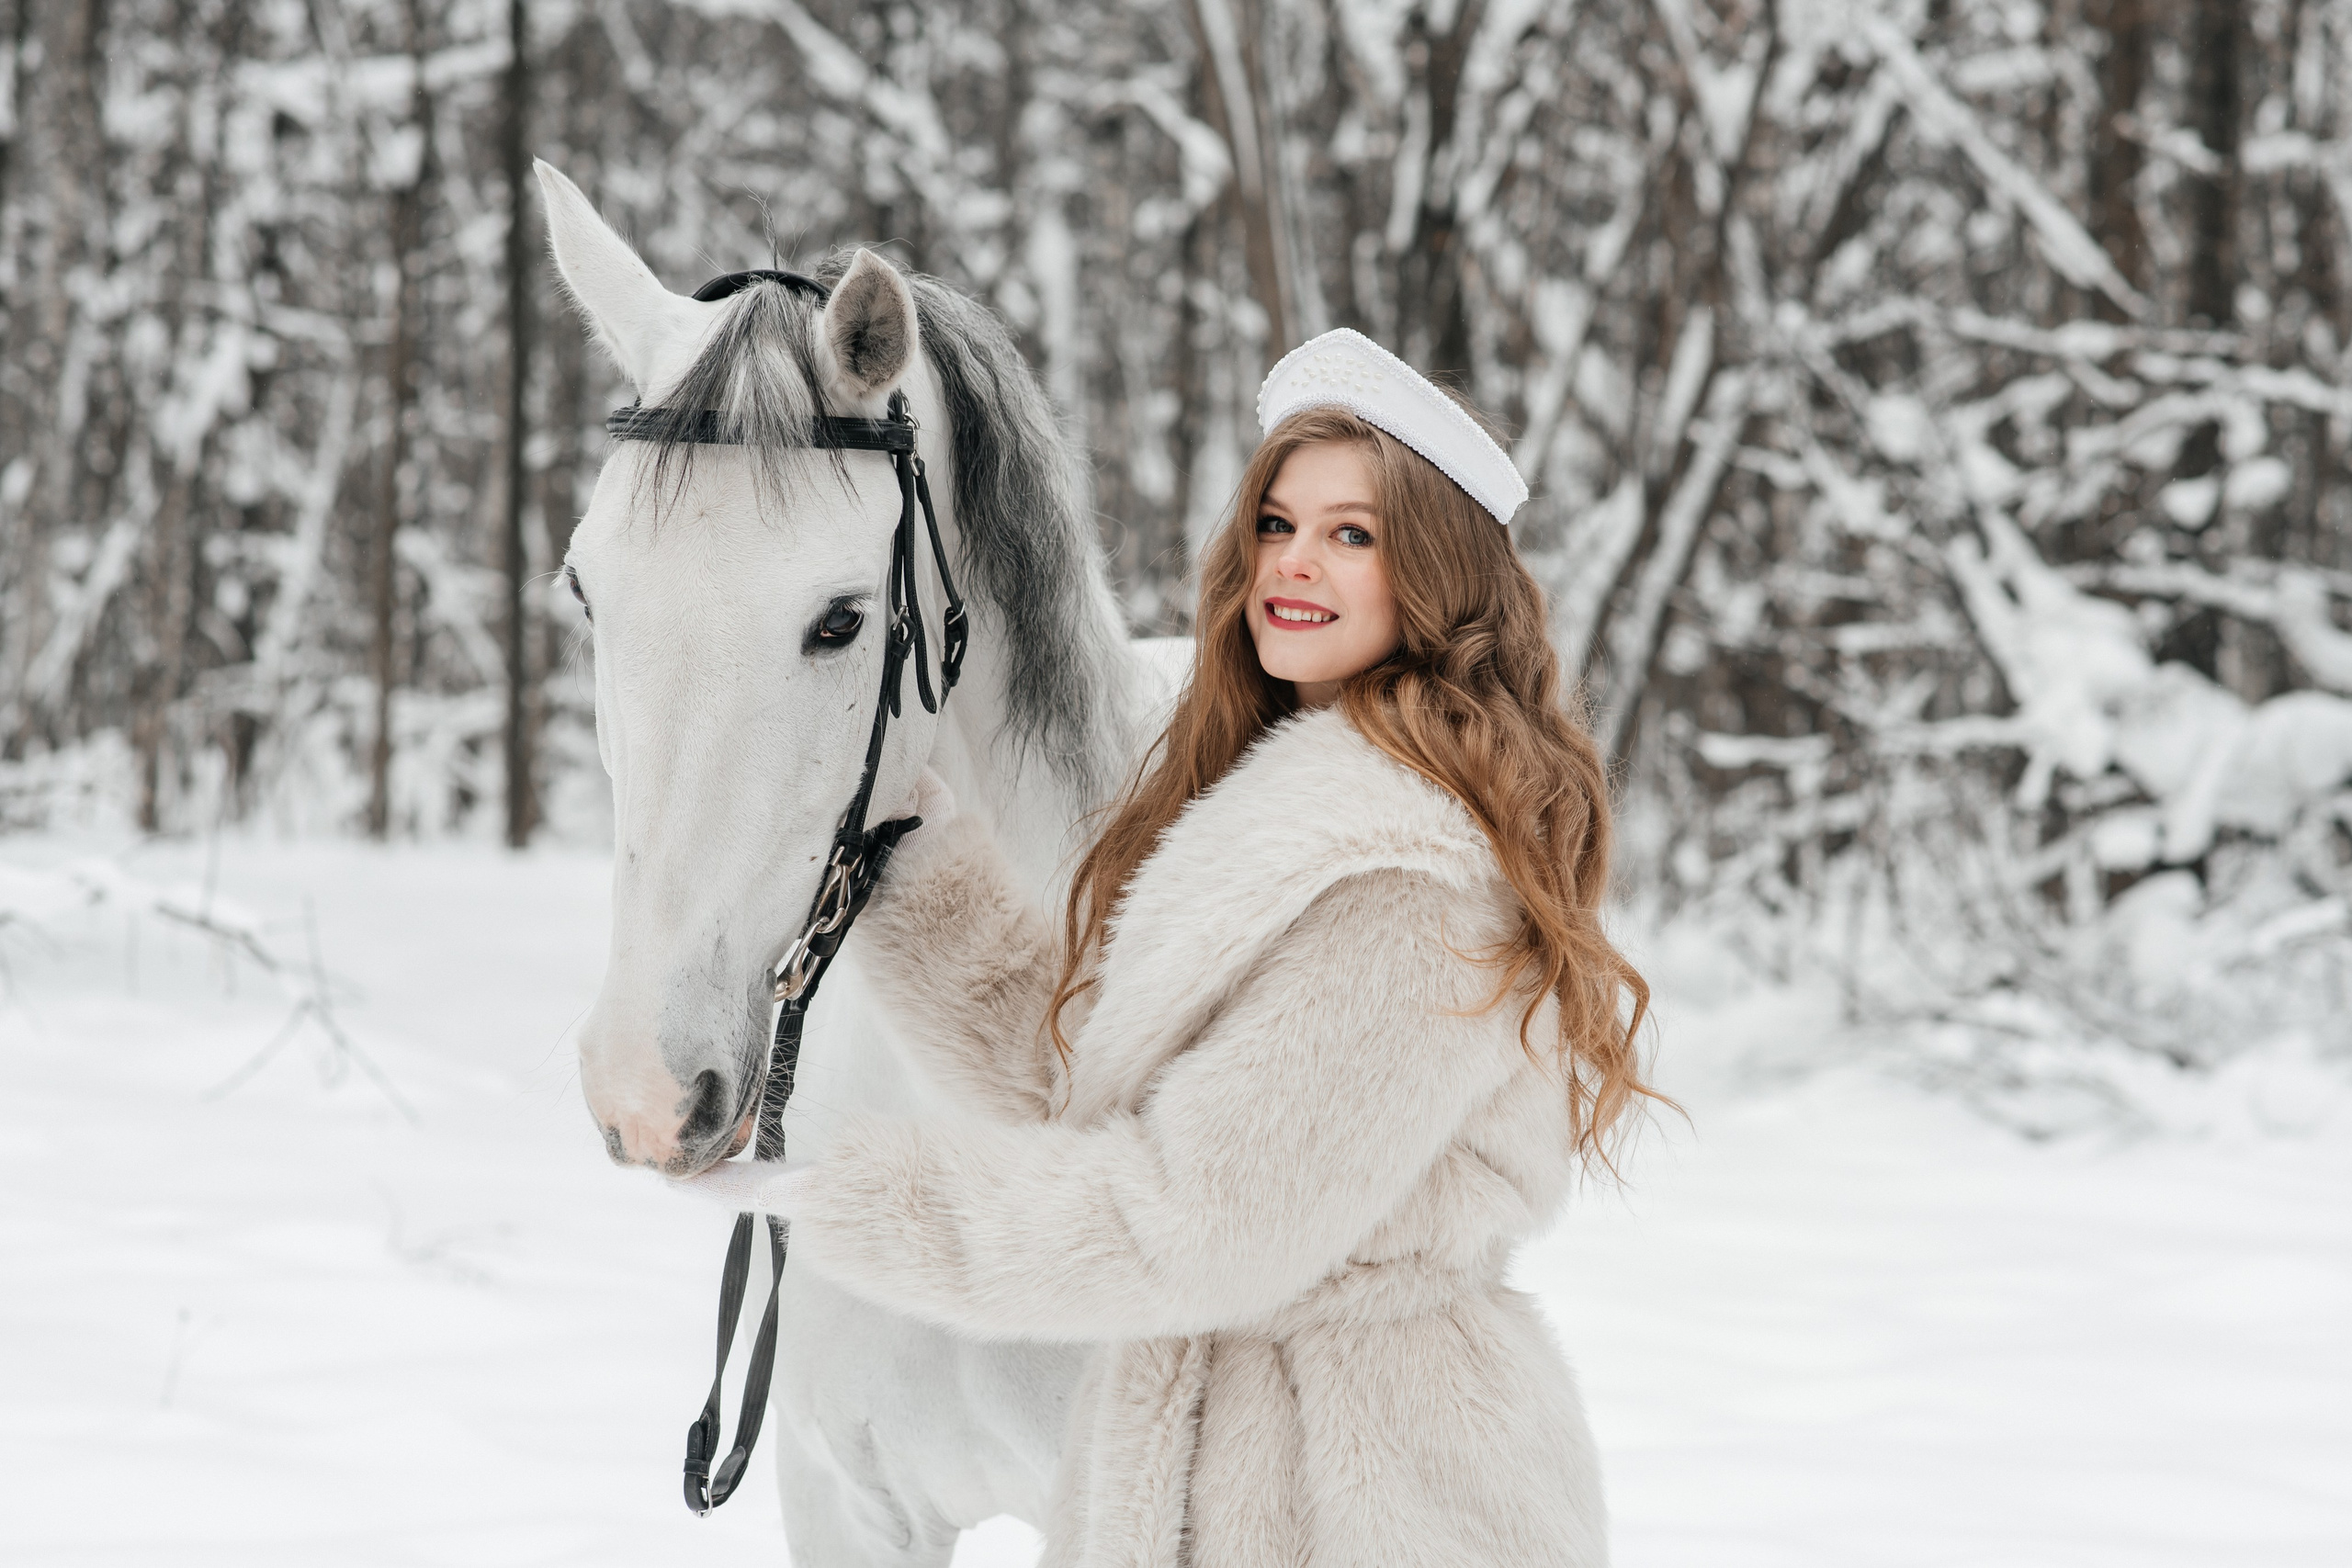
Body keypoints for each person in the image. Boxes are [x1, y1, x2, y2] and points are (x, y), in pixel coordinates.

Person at [690, 328, 1658, 1566]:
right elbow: (1112, 1094)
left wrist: (843, 1208)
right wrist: (917, 879)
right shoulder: (1276, 806)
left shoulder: (1411, 879)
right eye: (1277, 524)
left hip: (1372, 1488)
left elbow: (1189, 1217)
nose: (1294, 564)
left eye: (1352, 535)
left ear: (1439, 578)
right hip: (1215, 1454)